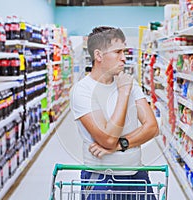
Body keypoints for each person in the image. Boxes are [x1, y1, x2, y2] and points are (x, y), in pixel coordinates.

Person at [70, 26, 159, 199]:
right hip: (100, 180)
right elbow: (107, 137)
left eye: (124, 52)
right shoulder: (83, 90)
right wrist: (124, 93)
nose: (124, 58)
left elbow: (152, 127)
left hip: (137, 175)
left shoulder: (129, 83)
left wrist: (120, 145)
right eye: (118, 52)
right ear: (99, 55)